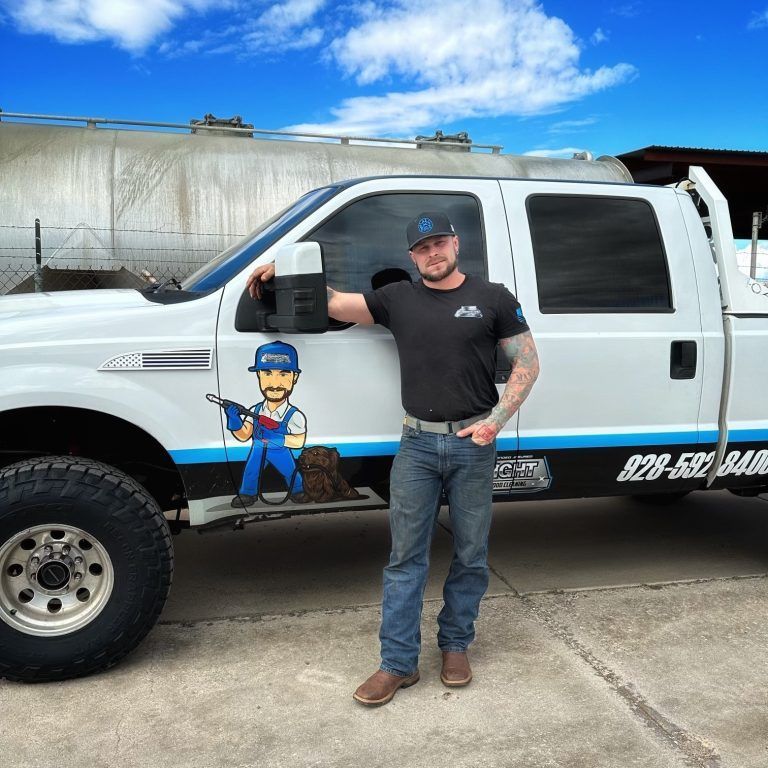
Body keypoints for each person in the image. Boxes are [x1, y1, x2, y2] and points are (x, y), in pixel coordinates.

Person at [247, 211, 540, 706]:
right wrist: (285, 269)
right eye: (423, 248)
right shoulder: (397, 298)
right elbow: (336, 301)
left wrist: (495, 420)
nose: (433, 253)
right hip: (417, 445)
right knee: (405, 559)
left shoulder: (493, 299)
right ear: (412, 256)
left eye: (440, 243)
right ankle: (397, 664)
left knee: (471, 554)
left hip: (473, 444)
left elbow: (527, 363)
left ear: (456, 245)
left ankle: (455, 647)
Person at [225, 341, 307, 507]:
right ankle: (248, 493)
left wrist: (278, 439)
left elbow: (299, 441)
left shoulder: (294, 415)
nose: (275, 383)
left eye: (284, 374)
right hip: (258, 449)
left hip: (280, 450)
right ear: (259, 376)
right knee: (251, 470)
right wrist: (234, 421)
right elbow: (243, 435)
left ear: (295, 377)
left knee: (290, 471)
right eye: (267, 374)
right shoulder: (254, 410)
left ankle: (298, 490)